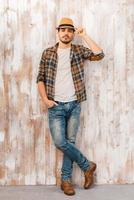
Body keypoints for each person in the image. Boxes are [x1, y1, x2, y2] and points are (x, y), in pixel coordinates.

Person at [36, 17, 104, 196]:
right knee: (61, 142)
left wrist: (85, 35)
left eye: (70, 30)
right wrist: (45, 100)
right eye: (63, 30)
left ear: (73, 33)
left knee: (70, 142)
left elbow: (100, 54)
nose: (66, 33)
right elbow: (40, 78)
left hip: (74, 104)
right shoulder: (48, 53)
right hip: (55, 106)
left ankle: (65, 181)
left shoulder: (78, 50)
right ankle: (87, 166)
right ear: (57, 32)